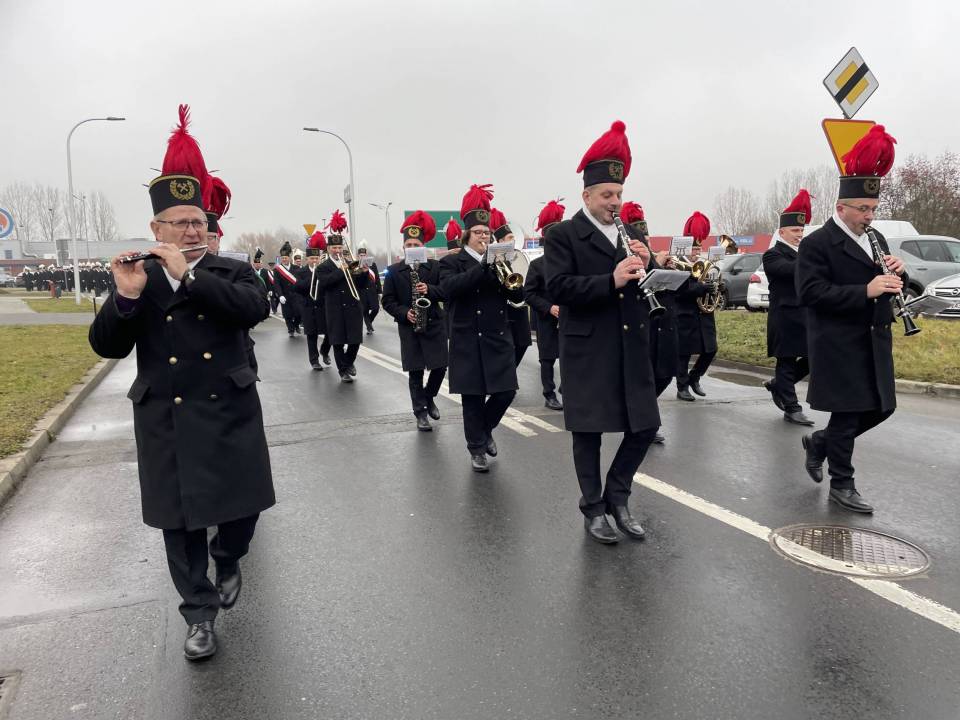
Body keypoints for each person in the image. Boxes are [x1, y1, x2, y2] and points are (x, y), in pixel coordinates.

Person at [88, 104, 274, 661]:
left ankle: (230, 555)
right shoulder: (138, 276)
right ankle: (198, 614)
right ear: (156, 229)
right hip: (166, 417)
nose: (193, 230)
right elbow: (107, 346)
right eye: (181, 223)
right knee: (181, 521)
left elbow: (252, 309)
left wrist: (187, 276)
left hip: (229, 409)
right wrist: (124, 298)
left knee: (241, 512)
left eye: (199, 222)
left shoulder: (229, 271)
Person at [544, 120, 660, 544]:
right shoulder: (564, 235)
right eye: (607, 195)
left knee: (644, 426)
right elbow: (558, 287)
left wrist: (650, 266)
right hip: (589, 348)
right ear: (587, 196)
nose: (614, 202)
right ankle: (593, 508)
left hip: (631, 343)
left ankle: (618, 496)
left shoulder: (631, 235)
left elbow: (641, 284)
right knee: (589, 433)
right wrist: (610, 280)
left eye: (618, 195)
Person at [796, 125, 906, 514]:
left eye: (873, 209)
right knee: (846, 415)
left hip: (874, 339)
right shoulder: (816, 244)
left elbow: (887, 284)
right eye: (863, 209)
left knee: (883, 406)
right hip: (838, 342)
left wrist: (900, 273)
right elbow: (810, 293)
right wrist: (865, 290)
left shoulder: (876, 239)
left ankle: (820, 443)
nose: (869, 216)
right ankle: (842, 484)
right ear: (841, 207)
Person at [440, 184, 523, 473]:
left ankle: (485, 430)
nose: (483, 237)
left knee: (506, 392)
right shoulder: (452, 262)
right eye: (478, 233)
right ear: (467, 235)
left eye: (487, 233)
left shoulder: (499, 261)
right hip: (467, 337)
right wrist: (483, 268)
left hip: (497, 336)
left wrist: (513, 280)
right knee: (472, 398)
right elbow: (450, 288)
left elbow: (515, 295)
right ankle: (476, 448)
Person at [381, 211, 448, 431]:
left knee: (440, 367)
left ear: (423, 246)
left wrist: (429, 289)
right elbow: (387, 301)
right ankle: (420, 413)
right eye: (408, 245)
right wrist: (404, 313)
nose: (412, 247)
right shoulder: (393, 271)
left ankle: (429, 397)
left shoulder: (435, 267)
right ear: (403, 247)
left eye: (416, 244)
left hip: (434, 324)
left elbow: (445, 291)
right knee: (416, 372)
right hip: (409, 327)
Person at [621, 201, 677, 444]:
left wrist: (668, 270)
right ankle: (644, 422)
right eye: (642, 238)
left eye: (647, 238)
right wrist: (655, 265)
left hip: (665, 325)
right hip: (643, 325)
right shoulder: (626, 256)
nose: (646, 241)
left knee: (665, 375)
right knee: (644, 378)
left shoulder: (651, 254)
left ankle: (643, 416)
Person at [762, 189, 815, 426]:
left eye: (801, 231)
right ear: (782, 232)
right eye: (795, 230)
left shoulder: (803, 253)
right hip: (784, 317)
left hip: (805, 316)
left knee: (813, 358)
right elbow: (790, 271)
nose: (799, 235)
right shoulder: (772, 255)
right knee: (786, 362)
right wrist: (814, 258)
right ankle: (792, 408)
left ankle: (778, 385)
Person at [523, 200, 565, 411]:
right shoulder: (537, 265)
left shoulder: (570, 263)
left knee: (569, 356)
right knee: (547, 359)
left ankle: (567, 388)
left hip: (568, 317)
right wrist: (549, 308)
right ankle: (549, 394)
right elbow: (528, 294)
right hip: (546, 318)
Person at [315, 229, 370, 382]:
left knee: (355, 340)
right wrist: (340, 271)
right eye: (334, 248)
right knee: (338, 341)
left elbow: (361, 285)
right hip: (335, 309)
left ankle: (348, 362)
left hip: (353, 307)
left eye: (339, 247)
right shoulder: (322, 267)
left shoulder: (351, 264)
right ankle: (343, 371)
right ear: (328, 249)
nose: (337, 250)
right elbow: (325, 283)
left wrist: (364, 273)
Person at [675, 211, 717, 401]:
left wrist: (717, 288)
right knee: (683, 353)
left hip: (704, 315)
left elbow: (712, 285)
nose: (696, 253)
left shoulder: (704, 264)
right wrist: (701, 288)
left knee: (711, 349)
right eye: (693, 249)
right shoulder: (677, 265)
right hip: (684, 313)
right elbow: (679, 290)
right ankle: (682, 386)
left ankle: (695, 377)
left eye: (698, 249)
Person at [488, 208, 532, 367]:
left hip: (519, 311)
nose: (513, 241)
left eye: (513, 237)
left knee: (522, 345)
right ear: (500, 241)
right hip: (502, 312)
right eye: (510, 238)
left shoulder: (519, 257)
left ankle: (509, 373)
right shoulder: (492, 259)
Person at [294, 232, 329, 371]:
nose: (315, 261)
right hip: (308, 307)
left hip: (323, 306)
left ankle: (324, 350)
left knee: (330, 333)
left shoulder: (323, 269)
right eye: (312, 258)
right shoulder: (301, 272)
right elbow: (298, 287)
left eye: (316, 258)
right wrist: (313, 278)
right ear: (307, 259)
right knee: (312, 335)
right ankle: (314, 360)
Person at [274, 242, 301, 336]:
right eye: (283, 258)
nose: (284, 259)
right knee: (287, 314)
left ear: (289, 258)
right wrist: (280, 295)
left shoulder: (296, 268)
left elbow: (300, 281)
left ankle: (296, 325)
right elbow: (276, 284)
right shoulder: (277, 270)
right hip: (285, 295)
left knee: (299, 313)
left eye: (286, 258)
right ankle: (291, 330)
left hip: (296, 295)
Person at [356, 243, 382, 334]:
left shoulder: (372, 265)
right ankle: (369, 327)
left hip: (372, 291)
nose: (362, 257)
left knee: (376, 309)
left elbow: (377, 278)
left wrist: (379, 291)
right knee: (365, 310)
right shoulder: (355, 266)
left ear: (366, 255)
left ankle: (369, 322)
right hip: (362, 291)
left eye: (364, 255)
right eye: (361, 255)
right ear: (358, 256)